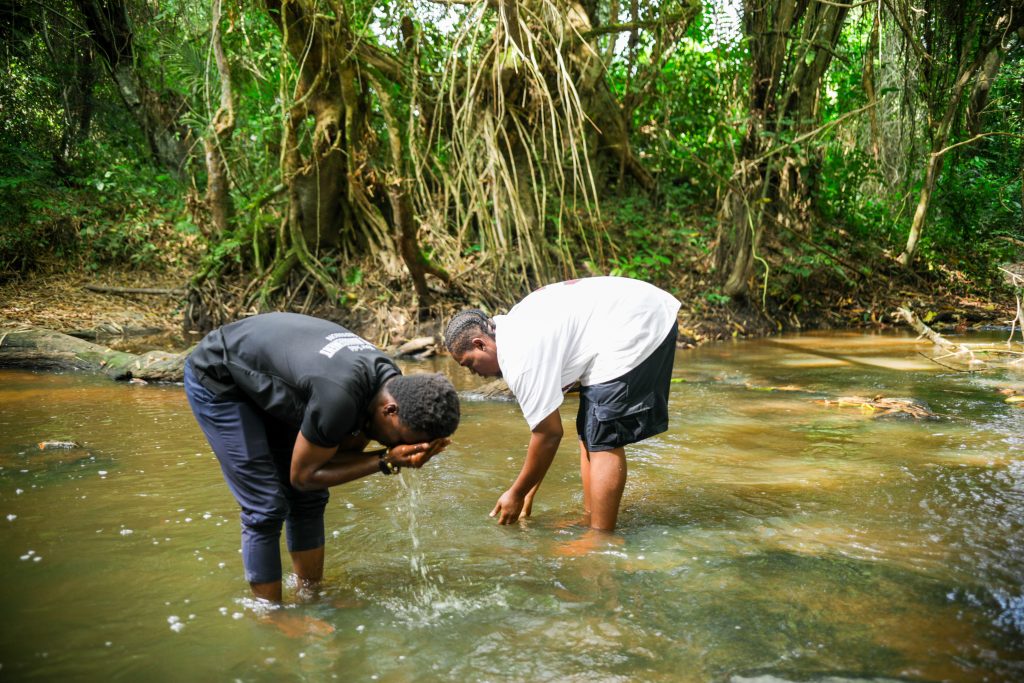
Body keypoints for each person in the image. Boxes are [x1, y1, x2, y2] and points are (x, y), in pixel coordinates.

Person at [184, 312, 460, 603]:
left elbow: (334, 461)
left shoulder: (388, 385)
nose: (404, 447)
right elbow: (302, 477)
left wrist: (389, 455)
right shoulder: (340, 397)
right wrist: (387, 460)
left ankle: (310, 593)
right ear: (390, 412)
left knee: (310, 499)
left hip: (275, 379)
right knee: (265, 507)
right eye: (404, 440)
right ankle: (270, 616)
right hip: (221, 377)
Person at [444, 276, 679, 532]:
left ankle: (600, 537)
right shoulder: (514, 330)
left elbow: (549, 434)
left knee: (604, 437)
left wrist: (517, 493)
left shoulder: (519, 357)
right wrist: (530, 488)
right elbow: (547, 434)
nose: (473, 374)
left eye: (469, 363)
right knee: (589, 433)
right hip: (625, 317)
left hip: (637, 322)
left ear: (480, 344)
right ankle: (591, 520)